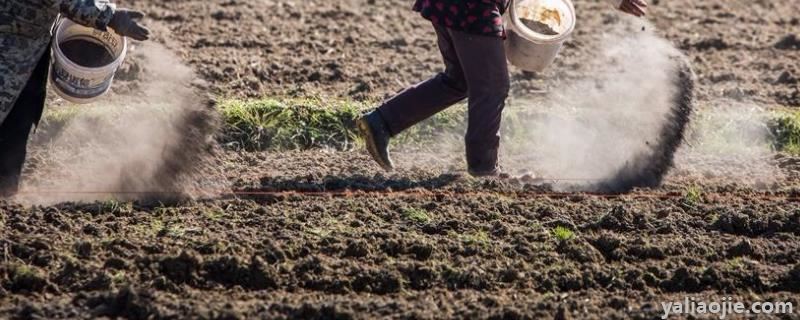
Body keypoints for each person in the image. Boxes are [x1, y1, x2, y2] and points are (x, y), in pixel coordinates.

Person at [357, 0, 648, 177]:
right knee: (492, 87)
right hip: (472, 7)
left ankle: (381, 122)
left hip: (454, 5)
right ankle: (484, 169)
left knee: (460, 79)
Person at [0, 0, 150, 197]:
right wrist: (108, 16)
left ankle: (5, 195)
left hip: (24, 36)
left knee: (18, 119)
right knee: (15, 118)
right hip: (11, 45)